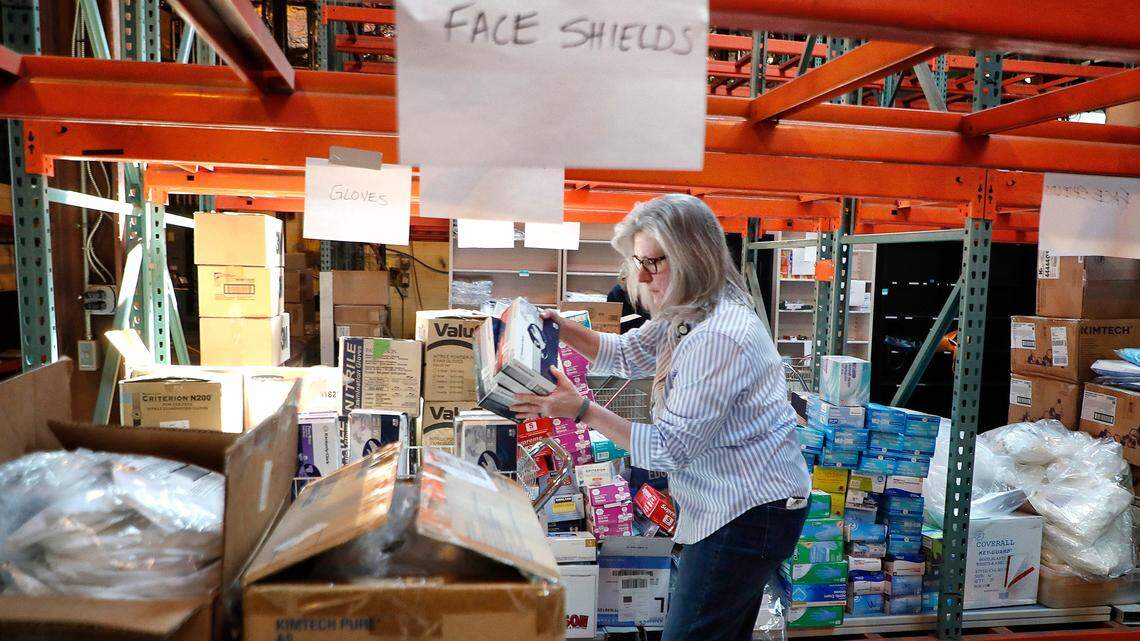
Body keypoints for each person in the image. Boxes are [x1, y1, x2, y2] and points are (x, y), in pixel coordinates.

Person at [512, 194, 811, 641]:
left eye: (656, 262)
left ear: (694, 256)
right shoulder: (693, 306)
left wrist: (581, 410)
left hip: (746, 512)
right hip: (740, 502)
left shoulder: (718, 335)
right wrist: (560, 327)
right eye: (639, 262)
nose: (645, 278)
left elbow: (670, 448)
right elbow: (628, 352)